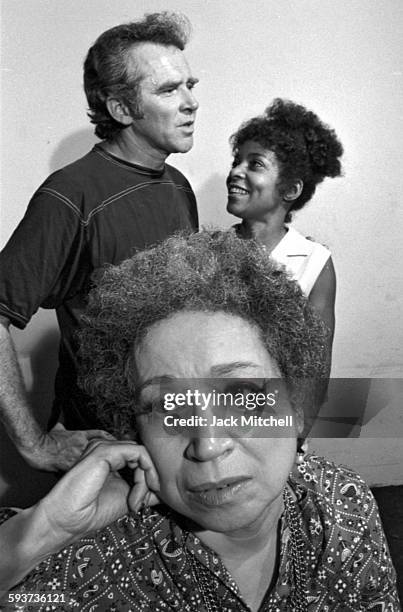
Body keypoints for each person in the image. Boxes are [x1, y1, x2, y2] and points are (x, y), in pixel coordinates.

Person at [0, 231, 399, 611]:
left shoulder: (343, 504)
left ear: (294, 407)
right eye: (167, 407)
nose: (207, 444)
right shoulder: (86, 562)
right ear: (133, 428)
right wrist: (42, 532)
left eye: (242, 396)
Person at [0, 12, 199, 472]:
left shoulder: (178, 185)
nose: (191, 103)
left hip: (181, 428)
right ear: (121, 109)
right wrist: (36, 445)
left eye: (190, 85)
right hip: (117, 449)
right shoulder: (70, 195)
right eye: (169, 90)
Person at [227, 98, 343, 369]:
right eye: (236, 161)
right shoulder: (207, 250)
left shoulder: (314, 262)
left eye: (255, 164)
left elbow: (316, 368)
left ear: (290, 190)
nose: (235, 172)